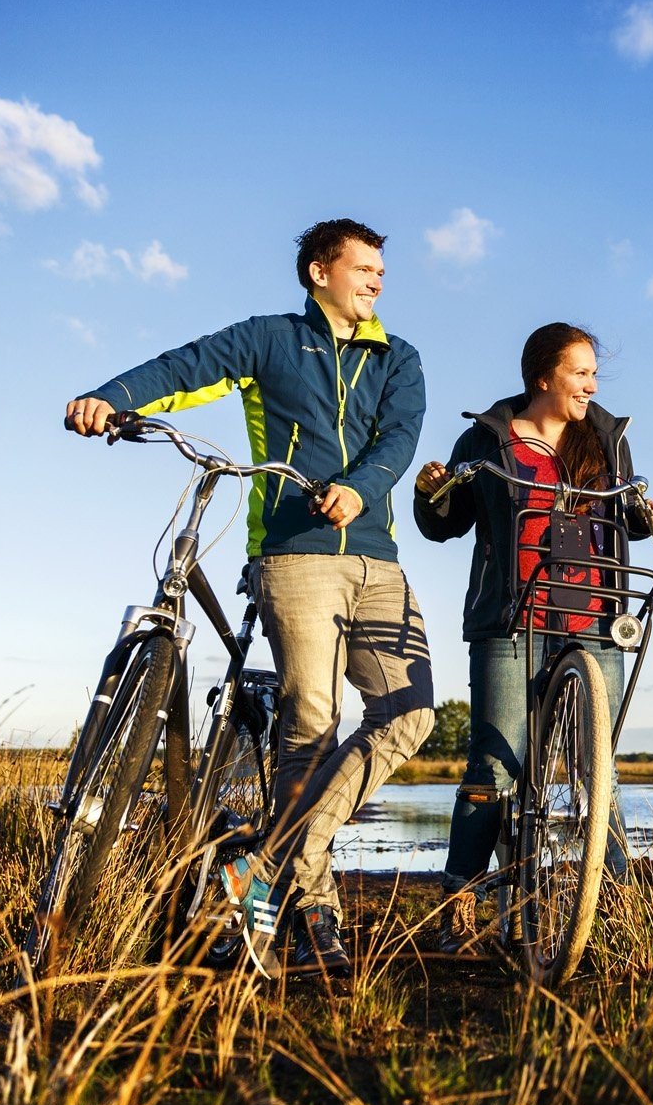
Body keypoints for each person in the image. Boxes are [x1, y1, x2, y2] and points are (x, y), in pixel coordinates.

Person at [64, 217, 435, 977]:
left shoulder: (398, 357)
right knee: (311, 725)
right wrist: (110, 397)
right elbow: (190, 366)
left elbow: (398, 439)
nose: (376, 279)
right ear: (319, 272)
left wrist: (359, 489)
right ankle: (313, 911)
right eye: (362, 267)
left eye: (380, 270)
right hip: (294, 554)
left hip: (377, 557)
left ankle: (265, 868)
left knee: (412, 713)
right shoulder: (272, 339)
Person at [412, 322, 653, 952]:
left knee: (596, 770)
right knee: (496, 766)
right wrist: (429, 494)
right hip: (511, 619)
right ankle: (460, 901)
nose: (591, 385)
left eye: (594, 374)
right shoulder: (488, 438)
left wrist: (645, 517)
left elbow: (621, 515)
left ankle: (615, 907)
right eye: (580, 373)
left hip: (595, 620)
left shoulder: (606, 440)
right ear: (543, 377)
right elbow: (445, 523)